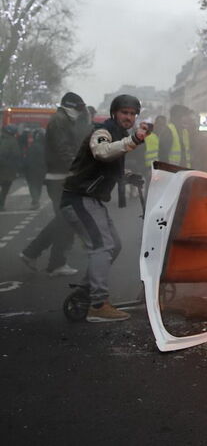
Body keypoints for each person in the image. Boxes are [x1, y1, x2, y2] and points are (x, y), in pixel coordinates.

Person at [59, 94, 150, 322]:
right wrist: (134, 141)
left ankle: (85, 291)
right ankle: (98, 304)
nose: (128, 117)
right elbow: (102, 152)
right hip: (79, 198)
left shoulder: (119, 135)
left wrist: (128, 176)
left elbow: (107, 164)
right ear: (114, 113)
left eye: (132, 114)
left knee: (114, 245)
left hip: (91, 199)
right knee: (101, 246)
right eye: (124, 113)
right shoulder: (102, 132)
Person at [19, 92, 87, 276]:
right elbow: (63, 148)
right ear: (71, 106)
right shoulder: (60, 121)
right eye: (79, 108)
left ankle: (33, 254)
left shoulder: (62, 119)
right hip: (60, 177)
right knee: (66, 220)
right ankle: (54, 263)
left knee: (63, 220)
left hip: (60, 176)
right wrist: (76, 168)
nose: (80, 113)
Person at [22, 128, 46, 210]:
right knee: (38, 185)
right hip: (40, 170)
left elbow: (27, 159)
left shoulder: (33, 146)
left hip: (31, 169)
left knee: (33, 185)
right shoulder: (44, 147)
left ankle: (35, 200)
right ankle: (36, 200)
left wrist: (24, 169)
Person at [0, 125, 22, 210]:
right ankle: (1, 205)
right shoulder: (12, 141)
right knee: (5, 188)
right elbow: (16, 155)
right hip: (7, 169)